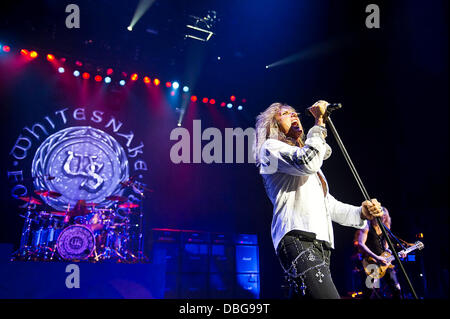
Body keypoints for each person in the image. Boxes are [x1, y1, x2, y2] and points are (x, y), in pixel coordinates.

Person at [254, 100, 384, 299]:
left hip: (320, 245)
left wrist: (360, 212)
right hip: (298, 239)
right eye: (286, 114)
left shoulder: (304, 161)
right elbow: (308, 161)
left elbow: (327, 205)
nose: (295, 115)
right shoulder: (270, 148)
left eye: (296, 113)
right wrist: (319, 123)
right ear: (273, 124)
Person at [354, 207, 405, 299]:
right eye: (382, 216)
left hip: (384, 262)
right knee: (369, 291)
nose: (383, 218)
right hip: (371, 261)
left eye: (385, 216)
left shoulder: (385, 227)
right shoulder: (367, 225)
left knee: (396, 289)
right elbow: (361, 243)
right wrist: (377, 257)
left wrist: (395, 253)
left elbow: (386, 247)